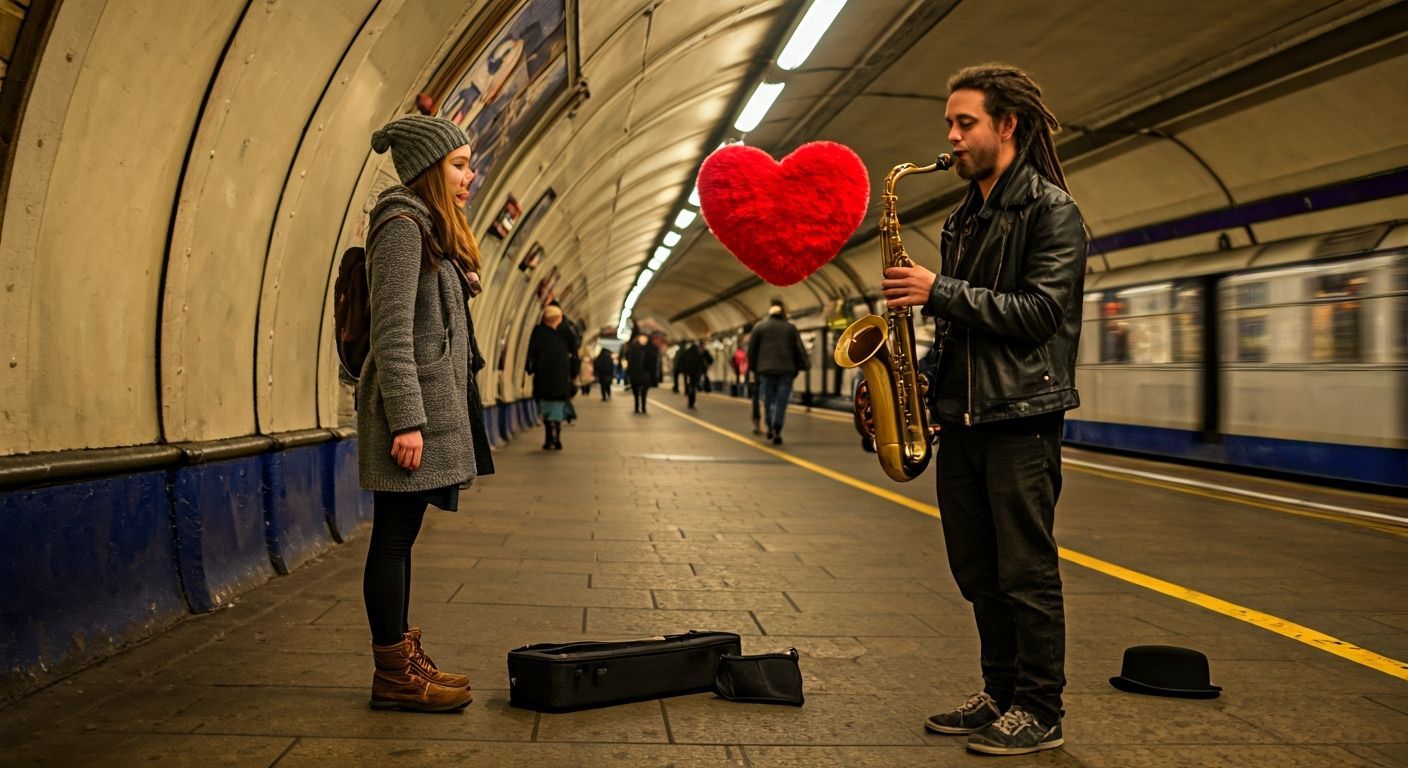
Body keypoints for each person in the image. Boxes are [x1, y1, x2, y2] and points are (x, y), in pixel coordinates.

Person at [880, 64, 1087, 756]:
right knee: (976, 568)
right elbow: (965, 328)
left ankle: (1041, 708)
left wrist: (936, 292)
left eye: (964, 123)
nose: (951, 137)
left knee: (1025, 572)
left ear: (1008, 126)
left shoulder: (1052, 211)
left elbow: (1038, 315)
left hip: (1022, 417)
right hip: (965, 418)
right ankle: (1000, 693)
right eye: (949, 123)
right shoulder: (965, 217)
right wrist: (916, 383)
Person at [359, 114, 498, 713]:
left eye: (469, 163)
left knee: (402, 538)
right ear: (428, 169)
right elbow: (391, 333)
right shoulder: (400, 227)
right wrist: (408, 421)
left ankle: (405, 661)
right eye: (459, 164)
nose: (471, 175)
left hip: (420, 408)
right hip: (403, 414)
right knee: (391, 540)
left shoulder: (428, 229)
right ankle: (393, 674)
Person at [747, 300, 809, 445]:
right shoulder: (790, 328)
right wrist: (798, 367)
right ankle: (777, 428)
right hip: (786, 370)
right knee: (781, 401)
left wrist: (754, 369)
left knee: (768, 400)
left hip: (765, 370)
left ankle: (770, 426)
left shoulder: (759, 327)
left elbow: (752, 351)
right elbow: (798, 350)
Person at [525, 305, 574, 449]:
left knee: (546, 409)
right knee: (557, 408)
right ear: (559, 318)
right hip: (560, 377)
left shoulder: (538, 331)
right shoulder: (565, 333)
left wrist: (530, 369)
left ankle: (548, 437)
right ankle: (557, 437)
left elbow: (531, 353)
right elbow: (574, 347)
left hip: (543, 377)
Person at [626, 333, 660, 414]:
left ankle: (643, 407)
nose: (644, 340)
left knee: (644, 390)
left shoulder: (651, 349)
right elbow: (629, 362)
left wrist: (654, 375)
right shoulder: (633, 349)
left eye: (645, 339)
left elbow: (654, 363)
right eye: (642, 338)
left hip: (645, 373)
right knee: (635, 391)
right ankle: (637, 406)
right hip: (635, 373)